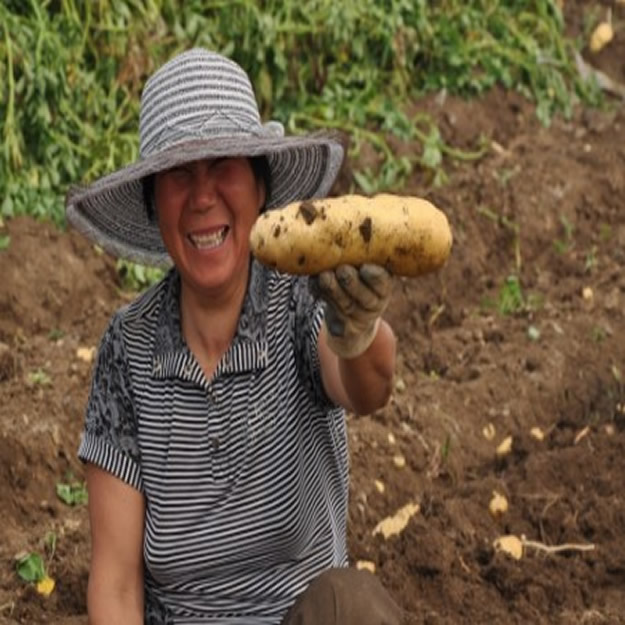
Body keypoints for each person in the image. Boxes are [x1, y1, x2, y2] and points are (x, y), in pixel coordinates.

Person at [66, 48, 404, 625]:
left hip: (301, 616)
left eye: (223, 165)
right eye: (179, 175)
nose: (202, 197)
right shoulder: (128, 350)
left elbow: (368, 388)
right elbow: (118, 583)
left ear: (258, 185)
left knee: (354, 604)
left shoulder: (300, 300)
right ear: (154, 204)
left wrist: (359, 327)